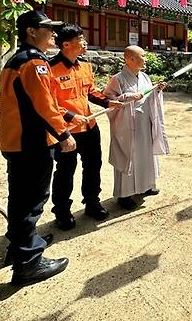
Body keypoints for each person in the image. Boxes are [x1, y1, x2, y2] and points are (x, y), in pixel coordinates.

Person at [0, 10, 76, 286]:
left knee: (19, 198)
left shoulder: (16, 61)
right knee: (31, 201)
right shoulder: (35, 63)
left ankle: (19, 246)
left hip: (15, 140)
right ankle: (29, 262)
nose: (53, 33)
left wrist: (67, 116)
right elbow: (42, 106)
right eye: (48, 28)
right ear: (32, 31)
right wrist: (64, 134)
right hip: (32, 142)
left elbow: (36, 101)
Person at [49, 25, 124, 230]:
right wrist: (72, 116)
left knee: (93, 166)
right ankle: (62, 211)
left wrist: (108, 102)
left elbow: (91, 92)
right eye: (80, 39)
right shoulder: (50, 69)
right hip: (66, 131)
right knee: (65, 171)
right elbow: (49, 103)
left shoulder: (85, 66)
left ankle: (92, 202)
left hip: (90, 125)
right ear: (66, 44)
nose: (85, 43)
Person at [104, 45, 169, 210]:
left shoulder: (145, 77)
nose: (146, 59)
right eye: (143, 56)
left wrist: (157, 90)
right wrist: (126, 97)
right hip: (127, 125)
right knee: (129, 156)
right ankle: (124, 195)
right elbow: (108, 101)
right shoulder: (118, 79)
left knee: (145, 154)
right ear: (130, 59)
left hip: (144, 124)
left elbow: (148, 95)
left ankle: (146, 185)